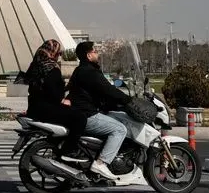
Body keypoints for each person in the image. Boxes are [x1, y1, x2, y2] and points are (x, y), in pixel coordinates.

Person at [63, 40, 132, 181]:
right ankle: (101, 163)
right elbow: (108, 89)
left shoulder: (82, 70)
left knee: (114, 120)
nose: (97, 53)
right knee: (120, 129)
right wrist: (128, 100)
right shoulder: (90, 72)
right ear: (88, 55)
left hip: (82, 111)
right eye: (95, 51)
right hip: (87, 114)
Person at [22, 39, 87, 150]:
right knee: (80, 118)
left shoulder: (35, 65)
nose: (59, 56)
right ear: (53, 53)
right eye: (59, 53)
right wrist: (63, 100)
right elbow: (53, 92)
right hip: (47, 108)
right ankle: (69, 149)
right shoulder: (51, 69)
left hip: (34, 107)